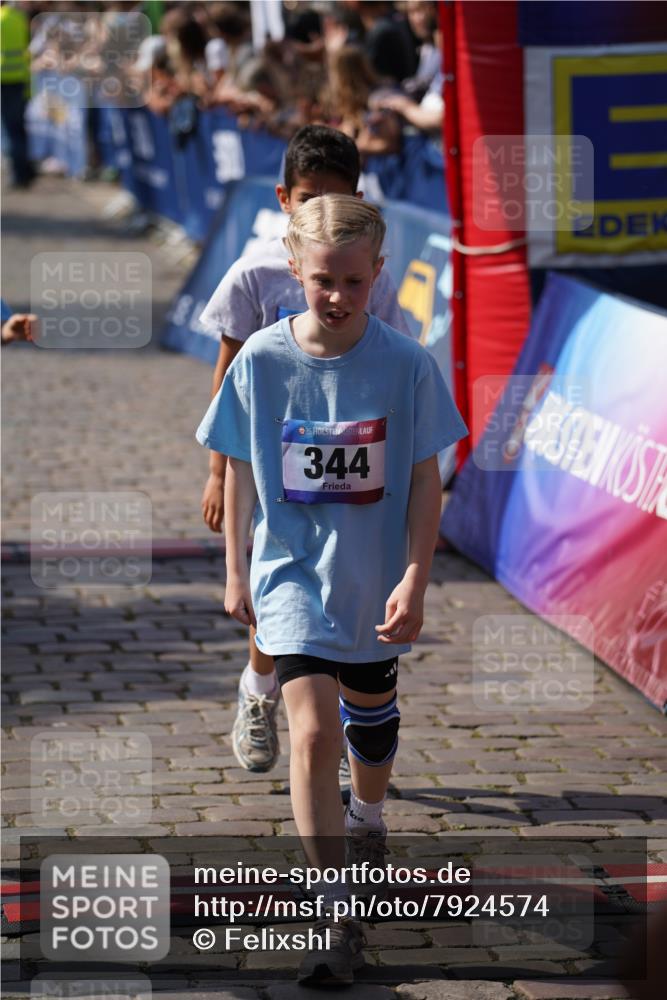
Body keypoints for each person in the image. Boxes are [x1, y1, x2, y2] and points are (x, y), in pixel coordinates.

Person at [196, 194, 467, 985]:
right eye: (323, 281)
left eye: (354, 282)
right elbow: (240, 467)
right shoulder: (262, 361)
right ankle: (334, 910)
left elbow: (424, 481)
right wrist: (235, 568)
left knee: (370, 728)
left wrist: (415, 575)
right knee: (313, 734)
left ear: (379, 274)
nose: (339, 297)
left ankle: (370, 816)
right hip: (289, 581)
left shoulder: (405, 364)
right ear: (295, 272)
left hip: (371, 579)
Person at [198, 125, 411, 776]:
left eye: (335, 197)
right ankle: (260, 690)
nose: (320, 211)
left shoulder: (369, 267)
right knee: (278, 588)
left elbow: (392, 364)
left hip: (345, 462)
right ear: (283, 197)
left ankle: (353, 728)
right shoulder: (256, 273)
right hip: (271, 462)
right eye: (308, 198)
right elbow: (228, 370)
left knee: (339, 593)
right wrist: (215, 474)